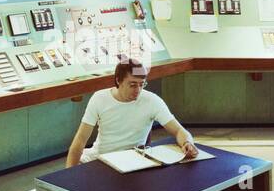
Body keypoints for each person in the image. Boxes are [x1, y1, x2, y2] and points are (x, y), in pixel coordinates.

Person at [66, 58, 199, 167]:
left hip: (133, 161)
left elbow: (178, 131)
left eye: (142, 84)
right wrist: (69, 174)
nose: (138, 90)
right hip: (100, 159)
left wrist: (187, 143)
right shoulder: (99, 99)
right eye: (133, 84)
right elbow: (80, 140)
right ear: (118, 81)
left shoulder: (152, 100)